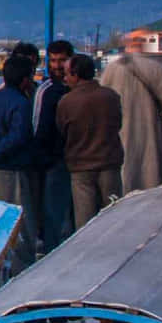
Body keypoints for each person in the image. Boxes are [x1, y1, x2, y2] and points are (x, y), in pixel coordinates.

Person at [0, 52, 40, 267]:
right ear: (25, 80)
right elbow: (18, 136)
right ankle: (20, 268)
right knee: (17, 221)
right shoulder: (21, 104)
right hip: (10, 170)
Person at [102, 33, 162, 191]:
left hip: (119, 133)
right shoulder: (156, 69)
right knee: (148, 176)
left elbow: (102, 100)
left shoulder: (112, 69)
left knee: (124, 177)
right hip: (150, 133)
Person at [57, 53, 125, 227]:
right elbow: (118, 124)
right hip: (110, 164)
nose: (65, 78)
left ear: (75, 74)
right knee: (113, 217)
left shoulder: (67, 102)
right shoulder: (111, 96)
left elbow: (62, 132)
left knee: (85, 223)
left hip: (81, 168)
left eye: (66, 74)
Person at [32, 39, 76, 253]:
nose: (58, 65)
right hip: (54, 163)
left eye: (62, 60)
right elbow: (38, 128)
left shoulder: (77, 89)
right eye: (54, 61)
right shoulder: (47, 91)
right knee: (54, 217)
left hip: (78, 160)